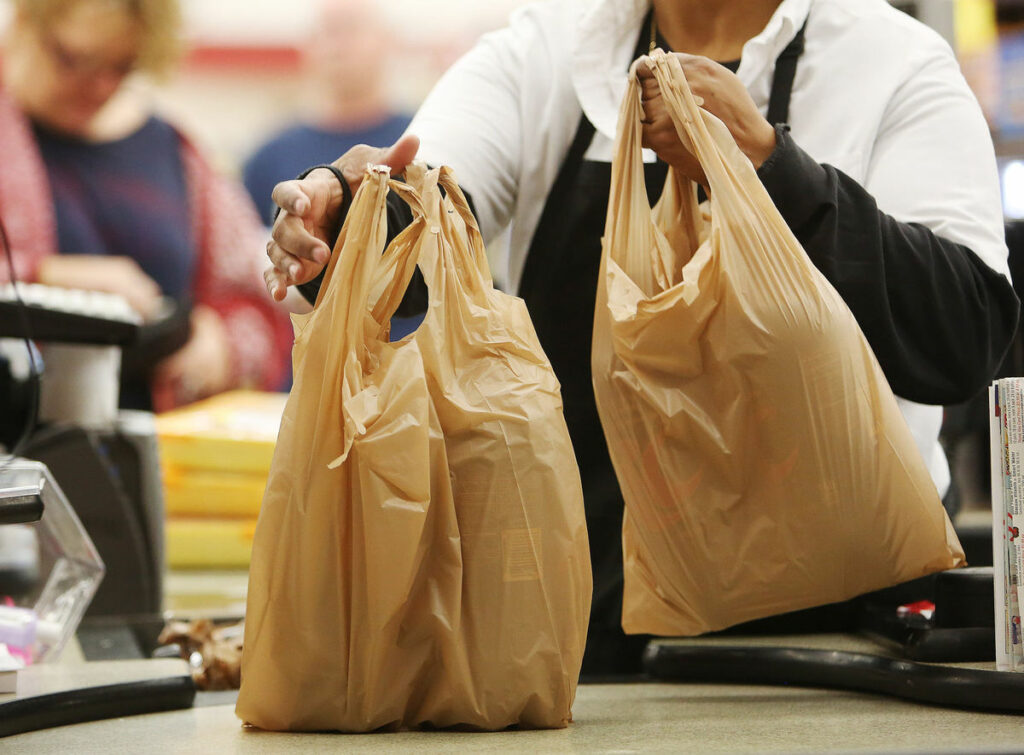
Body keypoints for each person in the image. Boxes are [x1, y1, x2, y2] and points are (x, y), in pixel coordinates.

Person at [262, 0, 1020, 676]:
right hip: (574, 644)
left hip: (840, 654)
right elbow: (426, 219)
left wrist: (767, 165)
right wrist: (349, 219)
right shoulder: (547, 53)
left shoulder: (894, 64)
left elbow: (960, 335)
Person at [0, 0, 292, 411]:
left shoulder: (175, 153)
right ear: (25, 23)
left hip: (158, 445)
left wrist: (221, 344)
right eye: (75, 59)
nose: (99, 86)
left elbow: (256, 295)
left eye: (121, 68)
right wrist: (46, 280)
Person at [241, 0, 411, 224]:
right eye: (327, 31)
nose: (338, 46)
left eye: (351, 29)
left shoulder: (418, 142)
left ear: (387, 41)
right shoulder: (268, 160)